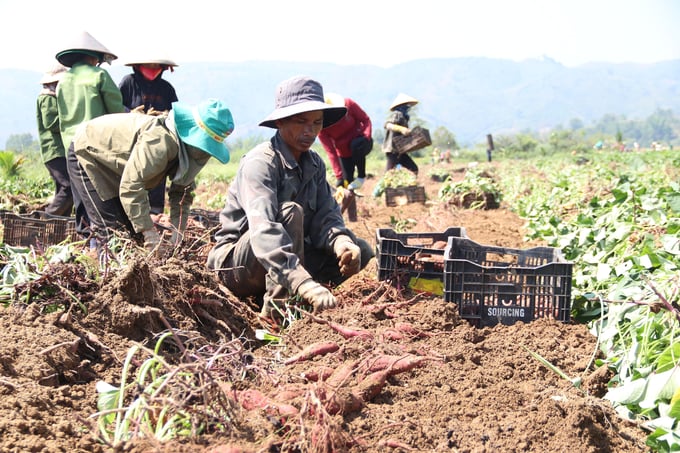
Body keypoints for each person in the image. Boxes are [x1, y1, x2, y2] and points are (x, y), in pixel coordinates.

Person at [207, 76, 374, 317]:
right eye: (301, 122)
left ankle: (304, 294)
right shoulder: (261, 163)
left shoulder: (314, 164)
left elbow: (327, 215)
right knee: (290, 213)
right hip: (238, 265)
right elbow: (264, 232)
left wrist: (341, 242)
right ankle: (277, 313)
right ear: (281, 122)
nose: (311, 131)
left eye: (317, 123)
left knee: (362, 250)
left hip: (286, 259)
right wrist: (303, 282)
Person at [67, 99, 234, 254]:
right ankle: (107, 278)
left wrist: (178, 234)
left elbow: (181, 194)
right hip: (90, 153)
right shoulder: (161, 142)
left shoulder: (193, 154)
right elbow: (132, 185)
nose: (205, 152)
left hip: (121, 169)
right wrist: (149, 232)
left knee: (132, 234)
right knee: (112, 232)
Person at [55, 30, 127, 236]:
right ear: (93, 57)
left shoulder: (63, 81)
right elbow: (116, 112)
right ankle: (106, 242)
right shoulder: (99, 75)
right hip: (95, 144)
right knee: (101, 194)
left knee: (81, 196)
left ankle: (85, 240)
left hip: (71, 146)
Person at [118, 55, 180, 215]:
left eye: (156, 65)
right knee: (130, 176)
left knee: (157, 174)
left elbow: (176, 114)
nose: (152, 69)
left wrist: (165, 115)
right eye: (148, 65)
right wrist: (131, 113)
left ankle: (155, 213)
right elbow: (116, 107)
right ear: (138, 66)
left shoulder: (166, 88)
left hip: (157, 143)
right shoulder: (128, 83)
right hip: (131, 140)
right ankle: (129, 212)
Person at [36, 62, 73, 216]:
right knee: (69, 187)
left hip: (60, 150)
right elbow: (51, 123)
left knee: (63, 189)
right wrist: (72, 120)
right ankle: (47, 216)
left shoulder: (54, 97)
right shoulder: (48, 97)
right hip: (54, 150)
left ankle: (57, 224)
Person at [317, 93, 372, 191]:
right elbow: (331, 152)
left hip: (361, 143)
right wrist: (339, 175)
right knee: (346, 183)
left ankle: (361, 176)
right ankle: (350, 204)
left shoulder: (349, 104)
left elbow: (365, 119)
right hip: (344, 153)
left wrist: (366, 136)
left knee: (355, 145)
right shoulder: (322, 128)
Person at [382, 93, 420, 174]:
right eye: (406, 105)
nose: (408, 107)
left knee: (414, 169)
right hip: (392, 150)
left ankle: (409, 185)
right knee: (389, 173)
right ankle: (384, 186)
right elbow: (387, 124)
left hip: (400, 151)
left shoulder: (404, 117)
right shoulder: (397, 114)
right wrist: (401, 129)